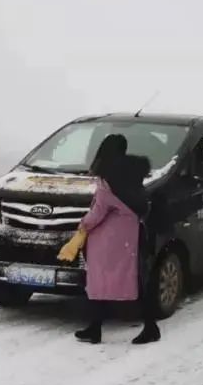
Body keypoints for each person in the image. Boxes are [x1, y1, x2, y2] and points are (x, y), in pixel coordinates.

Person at [59, 134, 160, 344]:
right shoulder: (132, 175)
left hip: (108, 241)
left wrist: (83, 226)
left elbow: (98, 212)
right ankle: (98, 327)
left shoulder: (109, 180)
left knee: (101, 281)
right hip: (128, 237)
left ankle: (143, 327)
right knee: (131, 281)